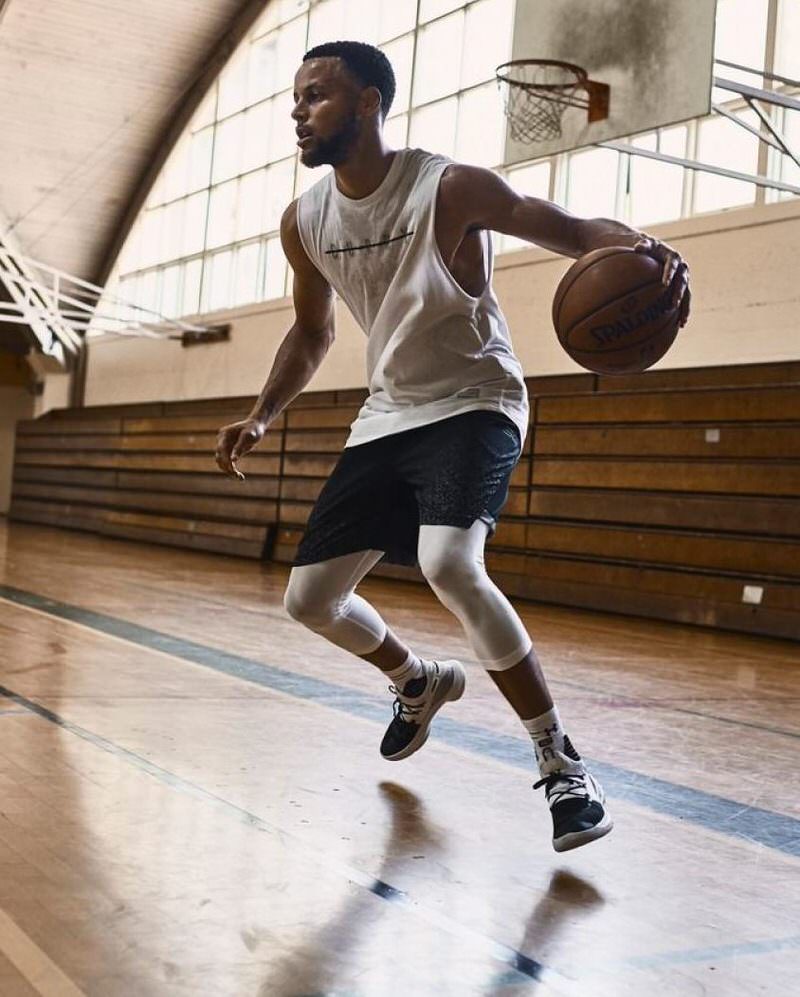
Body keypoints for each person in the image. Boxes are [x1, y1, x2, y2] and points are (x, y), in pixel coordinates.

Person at [215, 40, 691, 852]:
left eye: (318, 94)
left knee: (449, 562)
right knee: (309, 600)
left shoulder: (450, 186)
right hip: (391, 410)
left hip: (477, 398)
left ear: (369, 103)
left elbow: (575, 231)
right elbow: (311, 330)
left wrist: (644, 252)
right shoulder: (305, 222)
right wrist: (262, 413)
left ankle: (560, 761)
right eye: (296, 97)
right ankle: (416, 680)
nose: (300, 110)